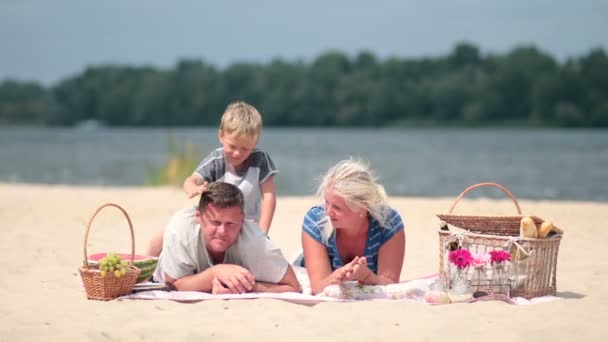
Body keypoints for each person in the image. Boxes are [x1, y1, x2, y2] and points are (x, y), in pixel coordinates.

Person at [147, 101, 277, 256]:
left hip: (246, 223)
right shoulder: (216, 160)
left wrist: (261, 233)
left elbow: (269, 198)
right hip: (214, 220)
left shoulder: (260, 160)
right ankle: (148, 268)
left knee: (266, 255)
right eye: (232, 146)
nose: (237, 153)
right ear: (221, 135)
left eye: (245, 148)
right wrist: (194, 188)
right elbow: (191, 180)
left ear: (255, 142)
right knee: (165, 233)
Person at [152, 182, 300, 294]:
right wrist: (216, 273)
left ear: (242, 219)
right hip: (161, 271)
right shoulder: (181, 230)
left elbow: (293, 287)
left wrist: (245, 286)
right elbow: (172, 284)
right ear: (198, 216)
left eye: (230, 224)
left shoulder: (256, 243)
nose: (222, 231)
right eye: (215, 222)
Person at [299, 159, 406, 294]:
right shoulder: (316, 220)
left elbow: (390, 284)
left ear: (362, 208)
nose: (328, 211)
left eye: (337, 207)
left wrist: (367, 276)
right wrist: (340, 274)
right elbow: (318, 287)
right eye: (326, 202)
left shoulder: (388, 223)